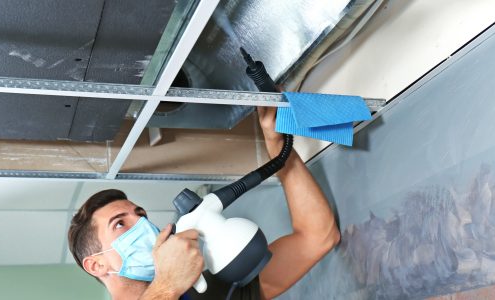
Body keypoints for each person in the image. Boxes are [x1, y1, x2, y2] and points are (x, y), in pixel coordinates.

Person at [68, 107, 341, 300]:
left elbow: (316, 237)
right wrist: (167, 285)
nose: (141, 223)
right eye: (120, 224)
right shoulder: (172, 287)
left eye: (140, 214)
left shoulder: (209, 292)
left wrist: (277, 146)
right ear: (96, 265)